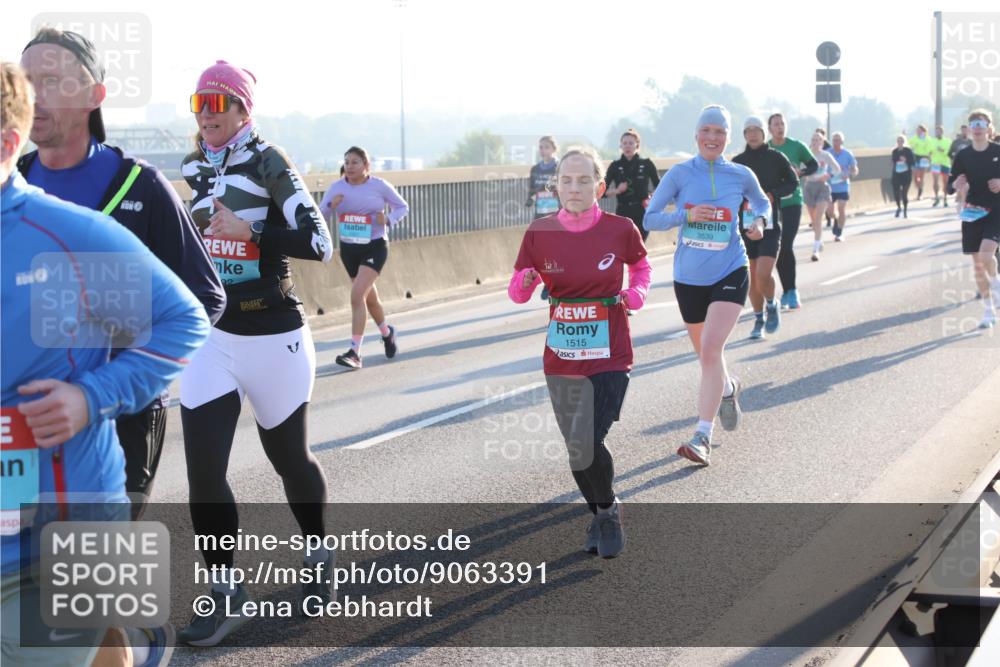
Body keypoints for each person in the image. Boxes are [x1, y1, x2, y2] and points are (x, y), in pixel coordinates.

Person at [1, 61, 210, 667]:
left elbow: (184, 320)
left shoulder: (67, 236)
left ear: (9, 145)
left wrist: (89, 398)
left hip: (67, 517)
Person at [17, 28, 226, 522]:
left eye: (49, 80)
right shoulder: (14, 185)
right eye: (23, 82)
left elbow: (203, 300)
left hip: (122, 416)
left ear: (95, 96)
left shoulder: (142, 187)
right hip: (25, 418)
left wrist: (111, 376)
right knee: (23, 576)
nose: (32, 96)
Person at [178, 60, 335, 645]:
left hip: (274, 333)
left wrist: (253, 236)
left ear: (244, 110)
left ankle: (318, 556)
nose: (209, 114)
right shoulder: (193, 166)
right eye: (200, 103)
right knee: (203, 471)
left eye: (220, 104)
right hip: (212, 336)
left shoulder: (270, 161)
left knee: (290, 460)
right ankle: (224, 591)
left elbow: (319, 242)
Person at [509, 146, 650, 558]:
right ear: (555, 186)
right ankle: (602, 510)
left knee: (589, 438)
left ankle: (606, 512)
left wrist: (637, 291)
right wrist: (527, 280)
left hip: (610, 353)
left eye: (584, 180)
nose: (574, 187)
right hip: (561, 356)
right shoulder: (539, 232)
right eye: (567, 180)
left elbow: (642, 266)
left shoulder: (620, 228)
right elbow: (517, 291)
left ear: (600, 186)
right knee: (576, 445)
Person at [645, 105, 770, 465]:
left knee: (712, 349)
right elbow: (650, 218)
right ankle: (728, 388)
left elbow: (762, 204)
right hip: (688, 277)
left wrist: (759, 222)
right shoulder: (681, 174)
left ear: (728, 137)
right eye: (706, 131)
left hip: (731, 269)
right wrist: (685, 215)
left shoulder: (741, 174)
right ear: (697, 135)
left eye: (720, 132)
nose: (712, 138)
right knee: (707, 357)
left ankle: (702, 435)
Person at [319, 146, 409, 369]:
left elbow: (402, 207)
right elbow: (321, 215)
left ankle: (355, 353)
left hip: (375, 246)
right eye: (347, 162)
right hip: (349, 249)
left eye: (355, 162)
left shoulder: (379, 186)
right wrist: (332, 205)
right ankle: (387, 333)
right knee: (370, 299)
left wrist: (387, 220)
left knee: (357, 295)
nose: (349, 166)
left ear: (366, 166)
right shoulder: (336, 188)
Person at [732, 116, 798, 339]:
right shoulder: (737, 162)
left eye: (756, 130)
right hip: (746, 224)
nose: (752, 134)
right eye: (748, 131)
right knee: (751, 277)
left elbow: (793, 182)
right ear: (744, 135)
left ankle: (772, 304)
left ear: (763, 133)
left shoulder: (776, 157)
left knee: (763, 274)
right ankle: (759, 318)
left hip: (770, 224)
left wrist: (773, 194)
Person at [946, 109, 1000, 329]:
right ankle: (989, 311)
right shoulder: (963, 155)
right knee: (979, 265)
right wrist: (956, 183)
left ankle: (996, 288)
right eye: (973, 123)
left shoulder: (998, 151)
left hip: (997, 209)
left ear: (989, 128)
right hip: (973, 211)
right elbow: (950, 185)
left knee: (987, 253)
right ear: (969, 130)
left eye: (981, 122)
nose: (977, 126)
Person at [767, 112, 818, 310]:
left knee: (786, 243)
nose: (780, 127)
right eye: (776, 124)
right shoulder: (767, 148)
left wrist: (801, 172)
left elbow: (813, 164)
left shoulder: (796, 146)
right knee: (778, 248)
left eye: (782, 123)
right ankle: (787, 291)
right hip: (773, 203)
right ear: (769, 128)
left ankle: (793, 291)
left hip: (793, 201)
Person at [603, 128, 660, 241]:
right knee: (624, 246)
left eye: (631, 143)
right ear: (620, 146)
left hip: (641, 211)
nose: (627, 146)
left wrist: (651, 198)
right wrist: (617, 190)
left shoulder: (646, 164)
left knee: (639, 246)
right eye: (624, 143)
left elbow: (660, 187)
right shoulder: (615, 166)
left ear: (637, 145)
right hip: (623, 212)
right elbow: (602, 191)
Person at [526, 136, 559, 300]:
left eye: (546, 147)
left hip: (558, 212)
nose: (543, 150)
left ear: (553, 148)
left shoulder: (559, 167)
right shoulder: (535, 169)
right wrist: (529, 198)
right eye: (540, 147)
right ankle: (548, 279)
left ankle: (550, 283)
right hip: (541, 211)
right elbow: (532, 188)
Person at [803, 131, 841, 260]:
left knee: (818, 219)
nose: (815, 142)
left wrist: (828, 175)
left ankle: (815, 251)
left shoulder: (826, 155)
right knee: (814, 221)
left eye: (818, 139)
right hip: (809, 187)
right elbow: (799, 168)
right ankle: (819, 241)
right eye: (813, 139)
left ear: (822, 142)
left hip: (822, 188)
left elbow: (837, 168)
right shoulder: (806, 154)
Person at [828, 132, 859, 240]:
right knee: (830, 212)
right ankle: (836, 220)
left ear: (842, 141)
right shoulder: (828, 153)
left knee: (841, 208)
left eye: (838, 140)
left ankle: (839, 233)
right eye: (834, 140)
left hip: (843, 186)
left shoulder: (847, 154)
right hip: (830, 186)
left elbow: (855, 169)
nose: (836, 142)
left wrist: (850, 174)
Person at [891, 135, 916, 218]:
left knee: (904, 194)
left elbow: (913, 162)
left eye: (901, 141)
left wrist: (906, 160)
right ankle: (898, 207)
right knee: (896, 192)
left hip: (906, 174)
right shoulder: (894, 151)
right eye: (898, 141)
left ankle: (905, 210)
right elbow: (893, 160)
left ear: (904, 142)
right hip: (897, 174)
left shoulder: (908, 151)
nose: (900, 143)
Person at [929, 125, 952, 207]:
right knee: (935, 181)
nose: (937, 133)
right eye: (936, 132)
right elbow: (929, 151)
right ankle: (936, 198)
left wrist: (942, 150)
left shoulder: (948, 141)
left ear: (942, 132)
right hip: (935, 163)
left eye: (939, 131)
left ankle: (945, 198)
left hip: (945, 163)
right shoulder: (932, 141)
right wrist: (929, 154)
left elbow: (949, 152)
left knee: (945, 182)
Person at [910, 124, 931, 200]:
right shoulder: (914, 138)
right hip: (916, 157)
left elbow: (930, 149)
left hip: (924, 158)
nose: (918, 132)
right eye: (917, 130)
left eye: (919, 130)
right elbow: (908, 145)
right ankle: (920, 187)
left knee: (921, 176)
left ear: (923, 131)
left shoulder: (927, 139)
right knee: (915, 177)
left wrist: (929, 157)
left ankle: (920, 193)